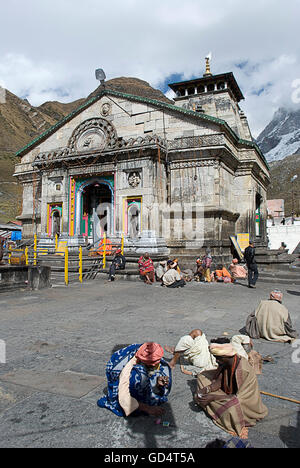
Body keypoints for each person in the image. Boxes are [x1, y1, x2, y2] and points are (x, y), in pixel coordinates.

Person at [194, 340, 268, 438]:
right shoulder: (226, 363)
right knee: (202, 376)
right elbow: (219, 382)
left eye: (218, 358)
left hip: (244, 403)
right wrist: (206, 389)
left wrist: (213, 397)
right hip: (228, 393)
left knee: (231, 408)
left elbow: (239, 398)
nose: (216, 361)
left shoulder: (242, 370)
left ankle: (212, 405)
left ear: (226, 356)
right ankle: (210, 402)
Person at [97, 342, 172, 417]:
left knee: (162, 367)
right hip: (122, 379)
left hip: (143, 367)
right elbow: (124, 395)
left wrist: (157, 383)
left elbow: (156, 366)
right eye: (152, 363)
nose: (154, 364)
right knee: (138, 374)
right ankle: (138, 400)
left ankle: (147, 391)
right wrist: (147, 408)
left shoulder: (151, 352)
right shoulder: (129, 367)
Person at [165, 331, 262, 376]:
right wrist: (247, 339)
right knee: (197, 334)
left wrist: (247, 339)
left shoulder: (240, 359)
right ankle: (179, 350)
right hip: (207, 352)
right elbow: (236, 338)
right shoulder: (241, 354)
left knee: (197, 333)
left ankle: (174, 359)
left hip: (204, 360)